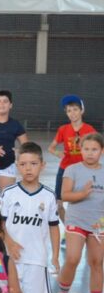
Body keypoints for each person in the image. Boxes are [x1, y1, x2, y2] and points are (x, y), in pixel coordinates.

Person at [0, 142, 60, 293]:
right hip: (11, 260)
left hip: (36, 259)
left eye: (33, 164)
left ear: (42, 166)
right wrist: (10, 242)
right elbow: (0, 225)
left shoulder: (49, 196)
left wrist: (54, 256)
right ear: (17, 167)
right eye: (23, 164)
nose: (28, 168)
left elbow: (54, 226)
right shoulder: (9, 193)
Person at [53, 133, 104, 293]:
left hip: (98, 224)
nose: (90, 153)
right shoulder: (72, 169)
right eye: (86, 149)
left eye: (94, 149)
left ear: (102, 151)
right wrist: (82, 193)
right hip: (76, 220)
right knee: (73, 258)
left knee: (97, 262)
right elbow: (65, 195)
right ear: (81, 150)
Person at [47, 95, 96, 223]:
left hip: (83, 171)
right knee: (59, 203)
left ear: (82, 111)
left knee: (80, 203)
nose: (72, 113)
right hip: (65, 170)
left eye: (75, 109)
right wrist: (58, 153)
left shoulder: (89, 130)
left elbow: (100, 148)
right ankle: (69, 228)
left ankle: (84, 228)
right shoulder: (63, 129)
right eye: (69, 110)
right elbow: (51, 148)